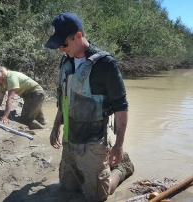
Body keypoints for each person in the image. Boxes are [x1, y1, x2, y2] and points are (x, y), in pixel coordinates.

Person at [44, 12, 134, 201]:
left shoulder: (106, 64)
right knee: (67, 187)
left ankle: (122, 168)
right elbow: (64, 98)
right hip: (70, 139)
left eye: (64, 44)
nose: (61, 50)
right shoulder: (66, 61)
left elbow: (121, 106)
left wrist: (119, 145)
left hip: (93, 142)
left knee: (97, 197)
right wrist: (55, 126)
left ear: (78, 36)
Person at [0, 64, 46, 130]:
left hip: (36, 94)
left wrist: (5, 116)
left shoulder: (11, 77)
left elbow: (11, 98)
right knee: (40, 120)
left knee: (25, 120)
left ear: (1, 71)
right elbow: (0, 97)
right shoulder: (3, 81)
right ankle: (46, 128)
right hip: (34, 95)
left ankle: (44, 131)